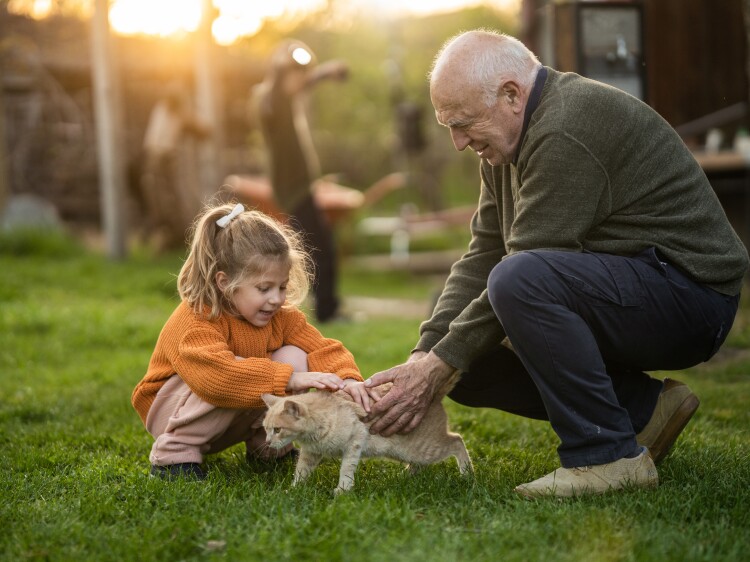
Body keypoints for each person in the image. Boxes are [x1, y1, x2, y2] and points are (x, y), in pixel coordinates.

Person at [364, 30, 749, 498]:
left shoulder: (566, 125)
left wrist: (438, 365)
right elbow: (484, 251)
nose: (458, 143)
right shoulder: (505, 143)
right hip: (637, 285)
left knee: (518, 280)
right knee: (466, 363)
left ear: (511, 94)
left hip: (693, 297)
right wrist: (426, 356)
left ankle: (605, 456)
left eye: (462, 123)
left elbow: (525, 265)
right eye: (449, 125)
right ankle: (646, 412)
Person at [131, 202, 369, 480]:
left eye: (282, 286)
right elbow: (216, 379)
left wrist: (348, 379)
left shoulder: (280, 316)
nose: (276, 298)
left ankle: (267, 447)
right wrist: (289, 380)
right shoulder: (196, 317)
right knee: (238, 371)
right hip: (172, 412)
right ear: (224, 282)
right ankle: (173, 456)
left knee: (295, 355)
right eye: (264, 288)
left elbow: (322, 347)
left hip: (225, 413)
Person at [253, 39, 349, 322]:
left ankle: (320, 307)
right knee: (320, 250)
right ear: (282, 74)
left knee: (313, 249)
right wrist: (322, 71)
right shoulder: (272, 101)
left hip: (299, 189)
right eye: (295, 73)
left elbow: (301, 84)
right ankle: (326, 310)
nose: (301, 80)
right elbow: (290, 84)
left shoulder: (285, 100)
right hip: (292, 190)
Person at [138, 79, 210, 249]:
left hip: (149, 157)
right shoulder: (178, 111)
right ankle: (170, 234)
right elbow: (202, 129)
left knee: (158, 197)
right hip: (162, 158)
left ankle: (161, 231)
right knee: (167, 199)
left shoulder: (161, 108)